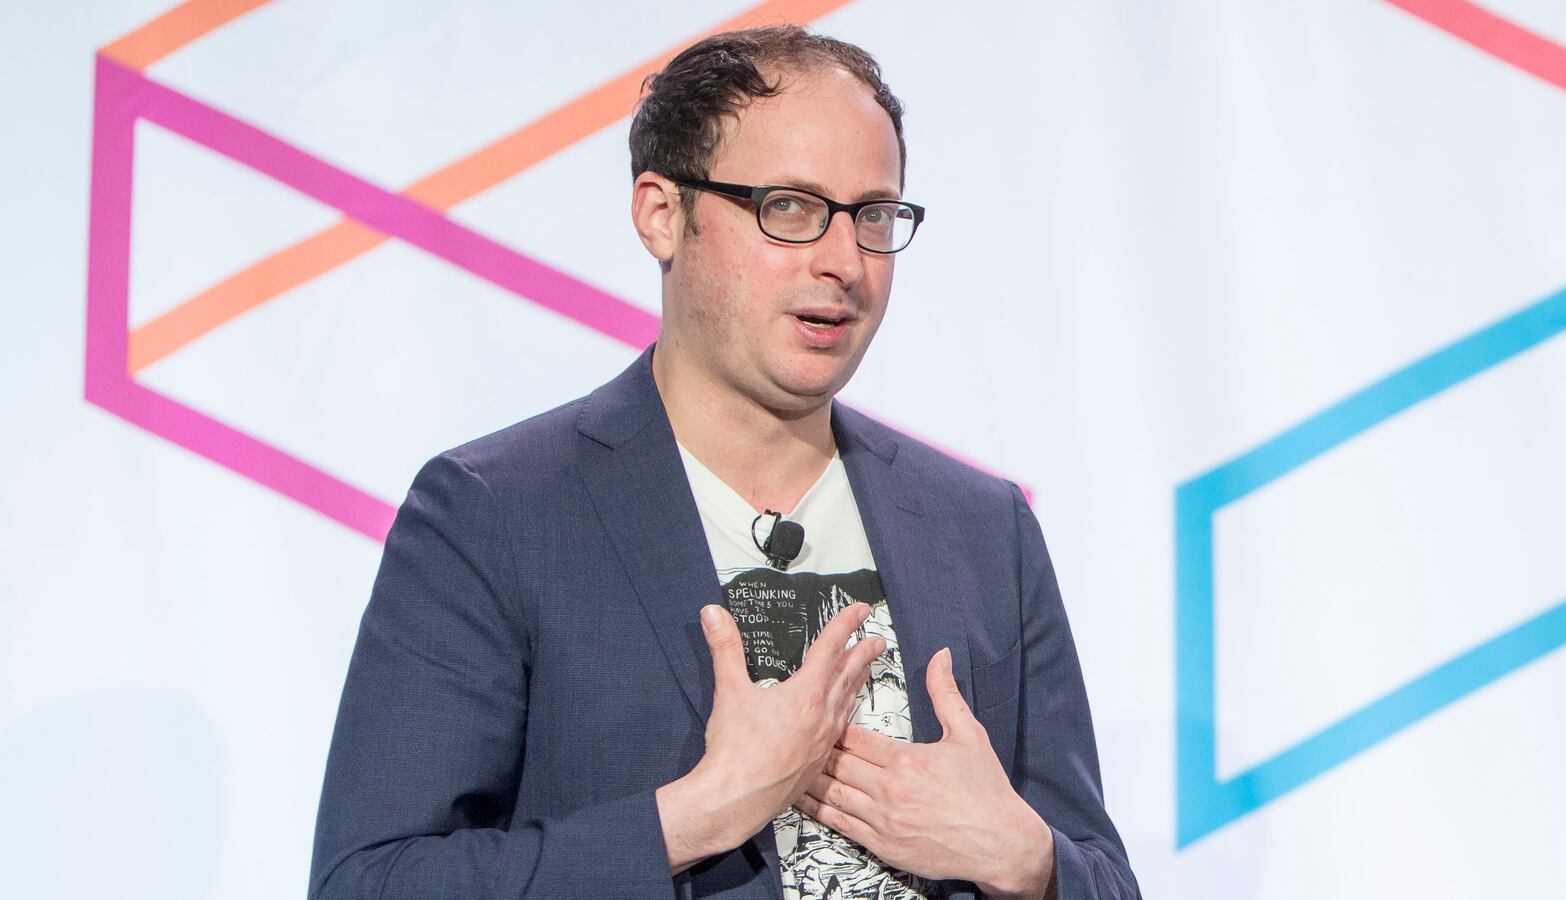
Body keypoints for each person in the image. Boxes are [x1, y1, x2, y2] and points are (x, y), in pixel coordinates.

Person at [308, 25, 1138, 900]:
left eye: (873, 216)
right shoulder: (497, 513)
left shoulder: (980, 528)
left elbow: (1103, 876)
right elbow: (374, 881)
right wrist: (697, 814)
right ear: (662, 215)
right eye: (788, 207)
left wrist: (1027, 861)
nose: (843, 262)